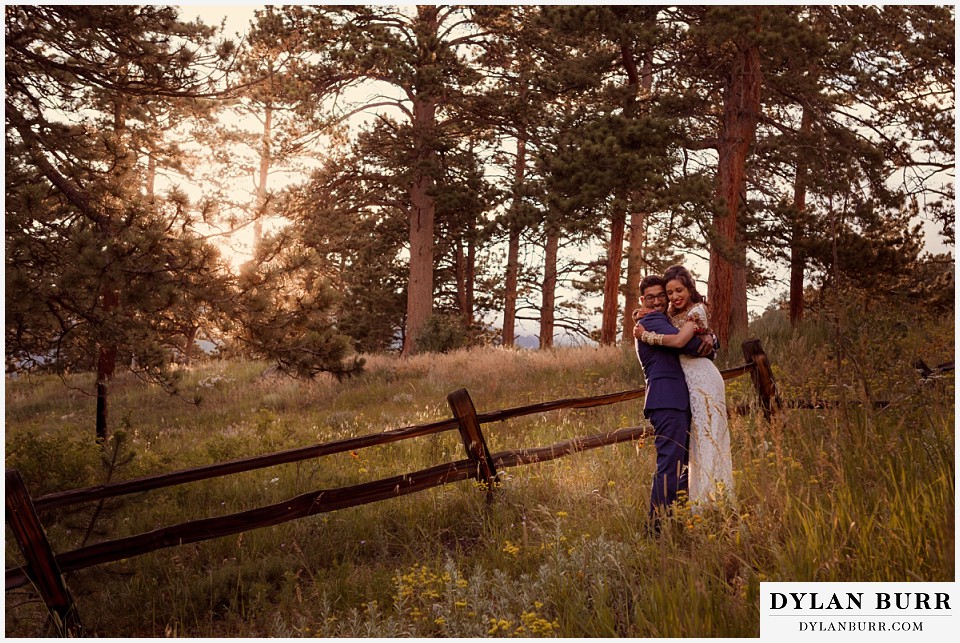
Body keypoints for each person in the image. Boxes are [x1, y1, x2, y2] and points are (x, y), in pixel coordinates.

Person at [635, 265, 734, 508]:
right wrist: (705, 340)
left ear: (689, 289)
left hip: (691, 389)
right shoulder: (654, 319)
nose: (663, 300)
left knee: (694, 451)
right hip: (669, 399)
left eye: (665, 294)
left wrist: (711, 338)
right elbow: (686, 344)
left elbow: (689, 340)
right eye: (656, 296)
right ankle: (659, 528)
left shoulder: (666, 317)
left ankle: (698, 507)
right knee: (673, 461)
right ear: (642, 300)